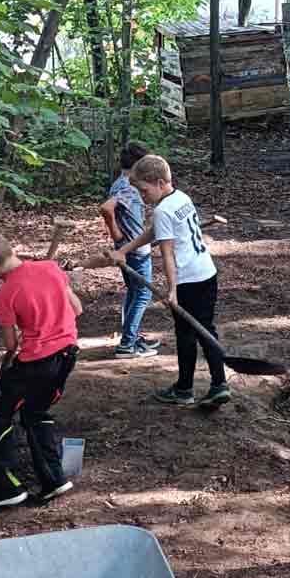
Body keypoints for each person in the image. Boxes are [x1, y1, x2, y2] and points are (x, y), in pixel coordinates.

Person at [0, 229, 81, 509]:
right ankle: (54, 479)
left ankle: (6, 487)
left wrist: (10, 360)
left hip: (35, 363)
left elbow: (11, 343)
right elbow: (76, 308)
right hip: (66, 355)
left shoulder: (6, 294)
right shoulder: (51, 268)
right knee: (34, 412)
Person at [109, 154, 230, 409]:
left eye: (144, 190)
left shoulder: (163, 210)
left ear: (160, 182)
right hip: (206, 272)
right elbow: (154, 232)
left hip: (187, 281)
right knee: (205, 328)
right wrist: (125, 250)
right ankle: (218, 383)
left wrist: (172, 290)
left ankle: (185, 389)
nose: (143, 196)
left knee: (186, 335)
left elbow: (166, 253)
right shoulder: (180, 198)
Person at [98, 142, 160, 358]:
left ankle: (132, 337)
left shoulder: (120, 183)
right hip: (135, 250)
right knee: (142, 294)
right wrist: (116, 234)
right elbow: (106, 208)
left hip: (128, 248)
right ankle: (127, 345)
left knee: (135, 292)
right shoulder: (128, 186)